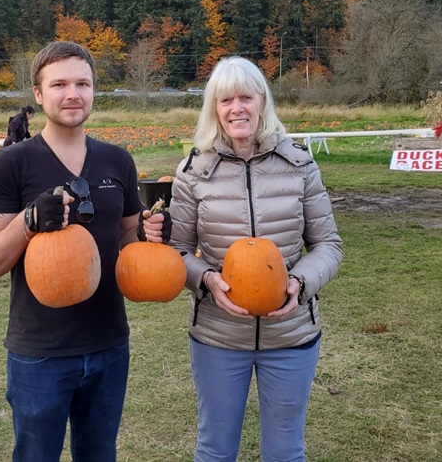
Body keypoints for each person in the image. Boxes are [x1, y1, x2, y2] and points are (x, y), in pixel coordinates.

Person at [143, 56, 343, 462]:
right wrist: (206, 280)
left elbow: (328, 245)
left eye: (246, 98)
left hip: (291, 336)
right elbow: (178, 249)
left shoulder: (299, 165)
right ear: (214, 109)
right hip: (218, 337)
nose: (237, 108)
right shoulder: (193, 171)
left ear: (263, 102)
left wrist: (299, 284)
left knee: (286, 452)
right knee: (215, 450)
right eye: (225, 100)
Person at [0, 41, 144, 462]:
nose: (73, 94)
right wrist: (27, 222)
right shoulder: (11, 165)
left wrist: (154, 237)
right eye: (60, 84)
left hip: (108, 343)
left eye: (82, 84)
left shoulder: (117, 161)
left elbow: (128, 240)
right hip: (39, 352)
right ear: (38, 93)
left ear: (93, 90)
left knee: (100, 454)